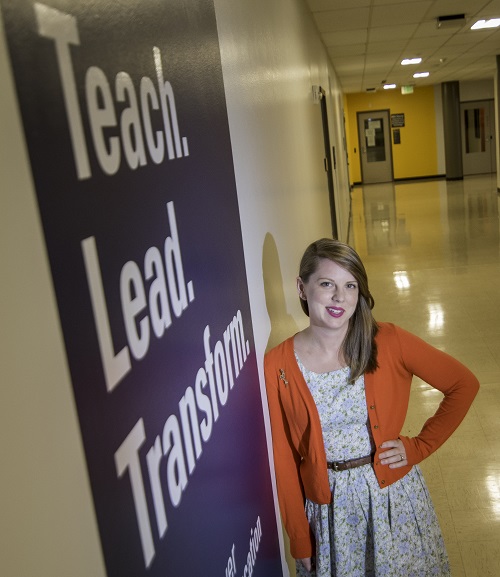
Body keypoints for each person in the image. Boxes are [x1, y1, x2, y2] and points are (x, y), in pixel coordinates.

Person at [264, 238, 479, 577]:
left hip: (392, 500)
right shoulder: (277, 364)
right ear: (302, 289)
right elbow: (284, 460)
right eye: (326, 284)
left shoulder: (389, 340)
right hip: (329, 512)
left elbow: (463, 384)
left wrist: (419, 447)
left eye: (350, 285)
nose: (340, 297)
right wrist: (299, 540)